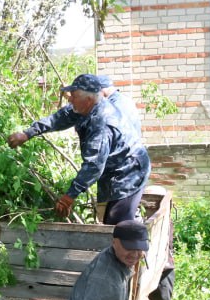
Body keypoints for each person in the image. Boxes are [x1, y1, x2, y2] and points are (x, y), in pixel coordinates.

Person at [8, 73, 150, 225]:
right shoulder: (83, 108)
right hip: (113, 170)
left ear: (88, 100)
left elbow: (93, 166)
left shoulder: (101, 123)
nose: (69, 99)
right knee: (113, 221)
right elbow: (58, 119)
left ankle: (135, 246)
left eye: (73, 96)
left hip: (129, 172)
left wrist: (69, 197)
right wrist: (27, 134)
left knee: (119, 226)